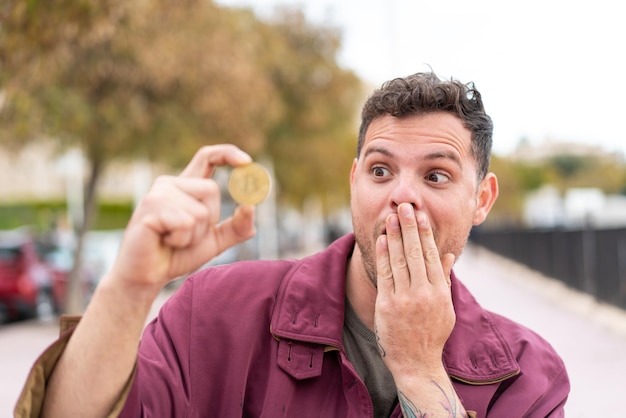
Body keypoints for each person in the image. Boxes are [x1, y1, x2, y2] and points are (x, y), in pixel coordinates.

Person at [16, 72, 569, 417]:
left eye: (437, 176)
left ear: (483, 199)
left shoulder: (528, 376)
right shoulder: (217, 311)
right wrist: (130, 286)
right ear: (354, 182)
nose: (402, 197)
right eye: (380, 170)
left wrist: (422, 373)